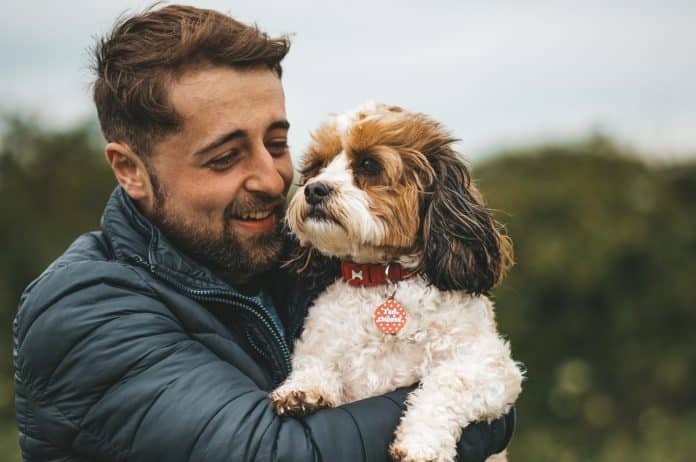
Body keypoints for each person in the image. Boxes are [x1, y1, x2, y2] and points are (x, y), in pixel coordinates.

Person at [13, 4, 515, 461]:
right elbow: (273, 454)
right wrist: (481, 406)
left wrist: (476, 378)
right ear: (130, 170)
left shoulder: (302, 256)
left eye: (277, 144)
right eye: (225, 157)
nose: (273, 179)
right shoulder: (81, 312)